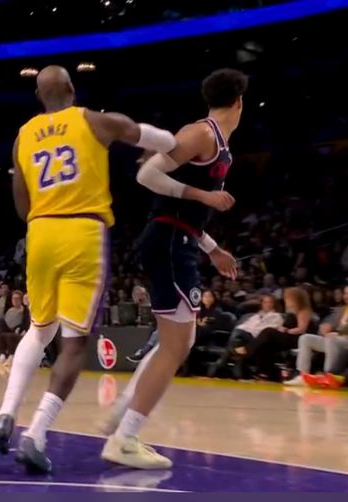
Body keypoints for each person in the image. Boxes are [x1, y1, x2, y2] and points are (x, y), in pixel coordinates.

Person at [0, 65, 179, 473]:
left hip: (40, 233)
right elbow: (162, 139)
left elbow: (20, 202)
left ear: (39, 97)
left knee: (39, 329)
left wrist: (43, 216)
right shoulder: (94, 120)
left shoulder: (23, 135)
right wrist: (163, 147)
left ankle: (5, 413)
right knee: (73, 344)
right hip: (82, 231)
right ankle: (36, 435)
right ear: (72, 89)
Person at [100, 68, 247, 469]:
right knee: (176, 345)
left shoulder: (219, 144)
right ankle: (124, 436)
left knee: (181, 339)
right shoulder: (201, 133)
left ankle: (125, 411)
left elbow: (188, 214)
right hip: (168, 241)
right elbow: (146, 174)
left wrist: (213, 248)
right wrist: (204, 195)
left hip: (179, 239)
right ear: (239, 102)